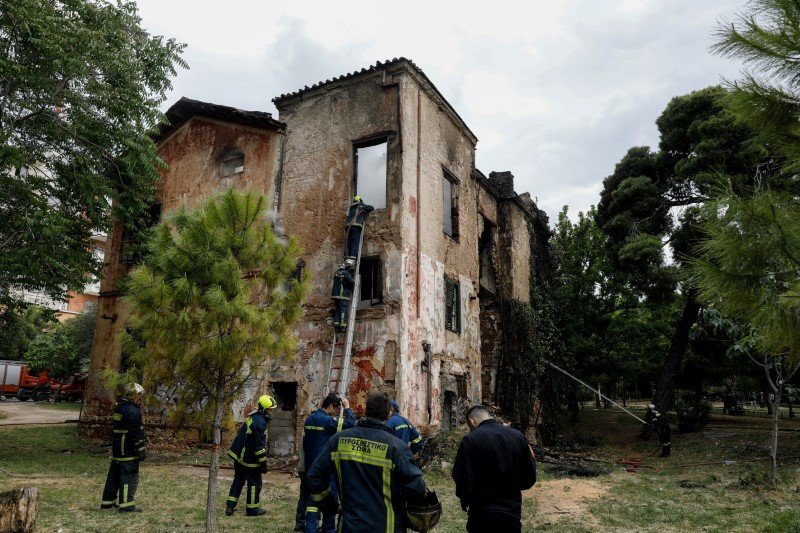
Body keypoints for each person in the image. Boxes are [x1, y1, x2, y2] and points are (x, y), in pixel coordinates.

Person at [307, 391, 434, 533]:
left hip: (350, 525)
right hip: (387, 526)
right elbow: (417, 489)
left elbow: (314, 477)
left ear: (365, 411)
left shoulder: (337, 441)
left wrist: (329, 506)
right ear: (389, 415)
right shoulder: (397, 447)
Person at [452, 405, 537, 533]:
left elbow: (463, 477)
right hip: (511, 511)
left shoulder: (471, 439)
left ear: (471, 421)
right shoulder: (517, 436)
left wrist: (466, 499)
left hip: (482, 512)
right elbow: (529, 476)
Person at [301, 394, 356, 533]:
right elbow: (351, 424)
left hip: (310, 467)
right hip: (325, 468)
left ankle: (310, 529)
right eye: (336, 410)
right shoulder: (328, 421)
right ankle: (329, 529)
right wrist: (347, 408)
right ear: (330, 406)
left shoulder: (309, 419)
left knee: (312, 501)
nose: (337, 413)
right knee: (330, 500)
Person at [225, 394, 277, 517]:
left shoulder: (253, 417)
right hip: (250, 459)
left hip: (240, 457)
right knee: (254, 483)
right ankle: (252, 510)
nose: (271, 412)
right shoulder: (260, 423)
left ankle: (230, 508)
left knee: (238, 481)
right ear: (264, 408)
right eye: (270, 409)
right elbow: (259, 447)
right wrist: (263, 463)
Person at [101, 382, 147, 512]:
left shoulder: (119, 408)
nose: (140, 398)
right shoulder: (133, 411)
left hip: (117, 449)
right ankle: (126, 505)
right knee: (129, 475)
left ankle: (107, 502)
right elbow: (137, 432)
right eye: (139, 395)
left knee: (114, 476)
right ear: (133, 395)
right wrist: (141, 449)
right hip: (128, 449)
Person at [344, 195, 374, 265]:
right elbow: (371, 207)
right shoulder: (361, 206)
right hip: (355, 226)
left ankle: (347, 257)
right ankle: (352, 258)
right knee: (355, 242)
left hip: (348, 227)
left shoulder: (351, 207)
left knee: (349, 242)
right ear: (360, 201)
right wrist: (364, 209)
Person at [331, 264, 355, 332]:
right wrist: (353, 277)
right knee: (343, 310)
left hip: (336, 295)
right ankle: (343, 326)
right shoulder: (345, 273)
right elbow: (352, 281)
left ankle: (336, 325)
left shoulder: (337, 272)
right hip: (343, 295)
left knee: (337, 310)